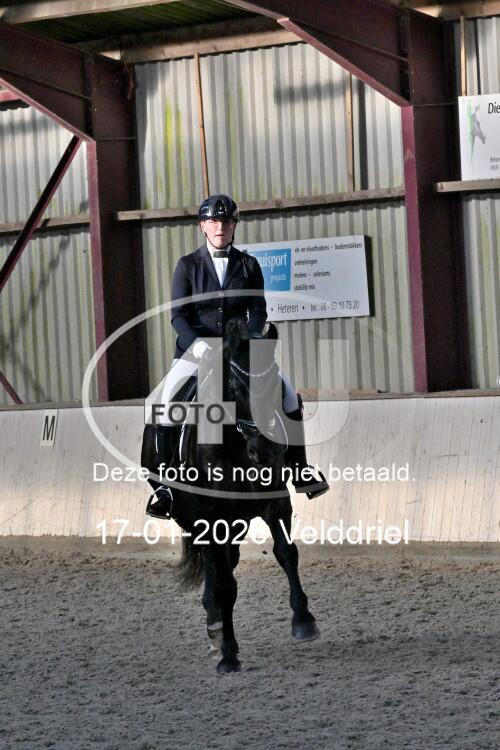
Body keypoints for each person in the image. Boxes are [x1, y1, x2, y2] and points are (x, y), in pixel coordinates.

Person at [145, 194, 329, 518]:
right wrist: (197, 345)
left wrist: (251, 339)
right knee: (161, 402)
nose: (221, 227)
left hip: (239, 352)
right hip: (195, 352)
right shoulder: (187, 266)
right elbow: (179, 315)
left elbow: (258, 310)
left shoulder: (248, 265)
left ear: (234, 226)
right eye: (214, 221)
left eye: (227, 221)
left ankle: (300, 469)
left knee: (288, 393)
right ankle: (166, 485)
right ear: (203, 226)